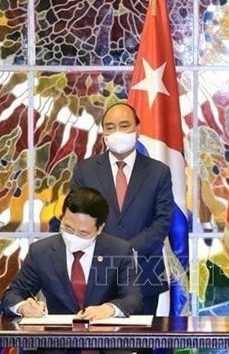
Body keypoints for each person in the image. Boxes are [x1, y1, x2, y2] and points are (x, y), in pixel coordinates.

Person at [70, 102, 173, 315]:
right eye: (109, 127)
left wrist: (126, 252)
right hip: (96, 274)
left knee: (141, 345)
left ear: (138, 129)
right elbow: (75, 218)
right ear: (103, 133)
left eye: (124, 125)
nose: (116, 132)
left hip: (144, 274)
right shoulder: (85, 170)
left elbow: (163, 220)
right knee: (100, 345)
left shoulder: (158, 172)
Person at [1, 187, 142, 321]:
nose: (74, 236)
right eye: (68, 228)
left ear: (100, 228)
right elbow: (13, 294)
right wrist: (23, 307)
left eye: (83, 233)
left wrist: (108, 309)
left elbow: (133, 298)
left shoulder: (119, 251)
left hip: (106, 339)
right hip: (58, 341)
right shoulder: (40, 251)